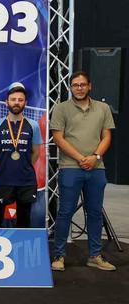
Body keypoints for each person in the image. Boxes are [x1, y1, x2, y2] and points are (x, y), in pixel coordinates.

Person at [50, 71, 116, 271]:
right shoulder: (61, 109)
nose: (78, 88)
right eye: (75, 85)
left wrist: (94, 157)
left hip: (97, 168)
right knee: (65, 213)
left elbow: (106, 137)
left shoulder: (103, 108)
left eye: (82, 85)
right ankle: (59, 256)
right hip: (70, 168)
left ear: (90, 86)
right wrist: (81, 159)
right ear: (70, 87)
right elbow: (58, 139)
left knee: (95, 213)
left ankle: (95, 256)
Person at [0, 82, 43, 228]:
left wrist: (23, 166)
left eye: (20, 100)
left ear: (25, 103)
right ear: (7, 102)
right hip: (2, 180)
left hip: (26, 181)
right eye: (13, 99)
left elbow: (36, 152)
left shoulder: (33, 126)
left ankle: (21, 250)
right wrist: (0, 168)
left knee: (24, 219)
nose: (17, 102)